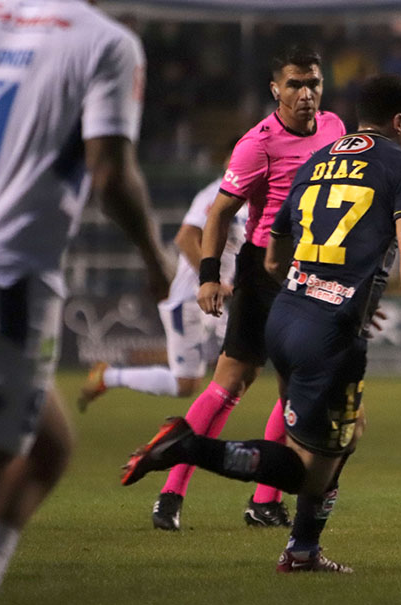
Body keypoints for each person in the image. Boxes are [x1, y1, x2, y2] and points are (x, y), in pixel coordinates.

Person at [120, 73, 401, 574]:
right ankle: (189, 448)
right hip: (329, 333)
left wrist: (311, 283)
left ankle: (302, 549)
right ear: (399, 122)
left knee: (344, 432)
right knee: (309, 472)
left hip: (285, 312)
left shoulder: (317, 159)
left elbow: (274, 251)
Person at [0, 1, 171, 605]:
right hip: (3, 282)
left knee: (51, 444)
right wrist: (154, 257)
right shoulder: (104, 43)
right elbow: (110, 174)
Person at [145, 44, 346, 532]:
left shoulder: (337, 129)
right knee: (232, 384)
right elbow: (218, 213)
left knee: (294, 388)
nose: (305, 94)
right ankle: (171, 492)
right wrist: (210, 275)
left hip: (315, 267)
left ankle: (264, 501)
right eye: (295, 84)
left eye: (313, 83)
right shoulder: (258, 143)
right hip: (266, 271)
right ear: (276, 89)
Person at [76, 174, 247, 411]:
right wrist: (213, 280)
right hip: (191, 301)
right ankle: (108, 376)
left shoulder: (250, 198)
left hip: (214, 303)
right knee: (185, 383)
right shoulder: (217, 192)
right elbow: (186, 238)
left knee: (242, 361)